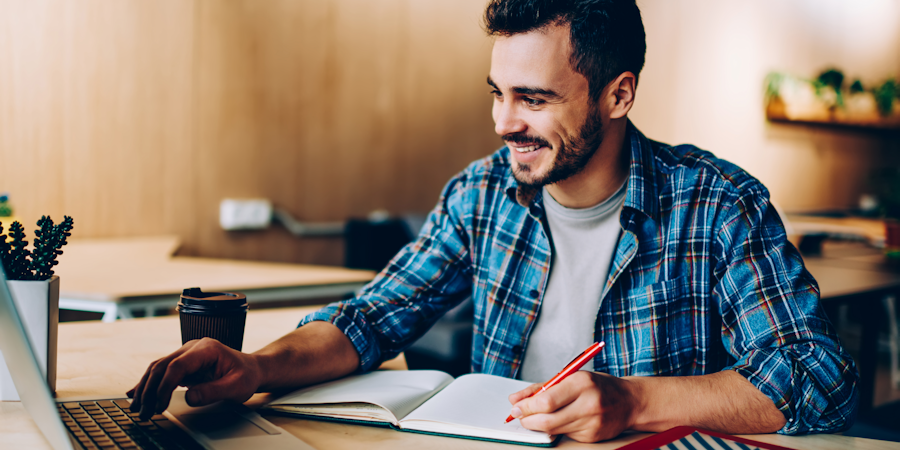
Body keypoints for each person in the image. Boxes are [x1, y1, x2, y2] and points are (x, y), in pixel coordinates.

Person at [128, 0, 858, 443]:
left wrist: (633, 399)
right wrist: (253, 368)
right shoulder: (481, 194)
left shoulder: (718, 205)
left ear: (618, 94)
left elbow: (817, 379)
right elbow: (369, 319)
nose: (505, 122)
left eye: (533, 99)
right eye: (497, 93)